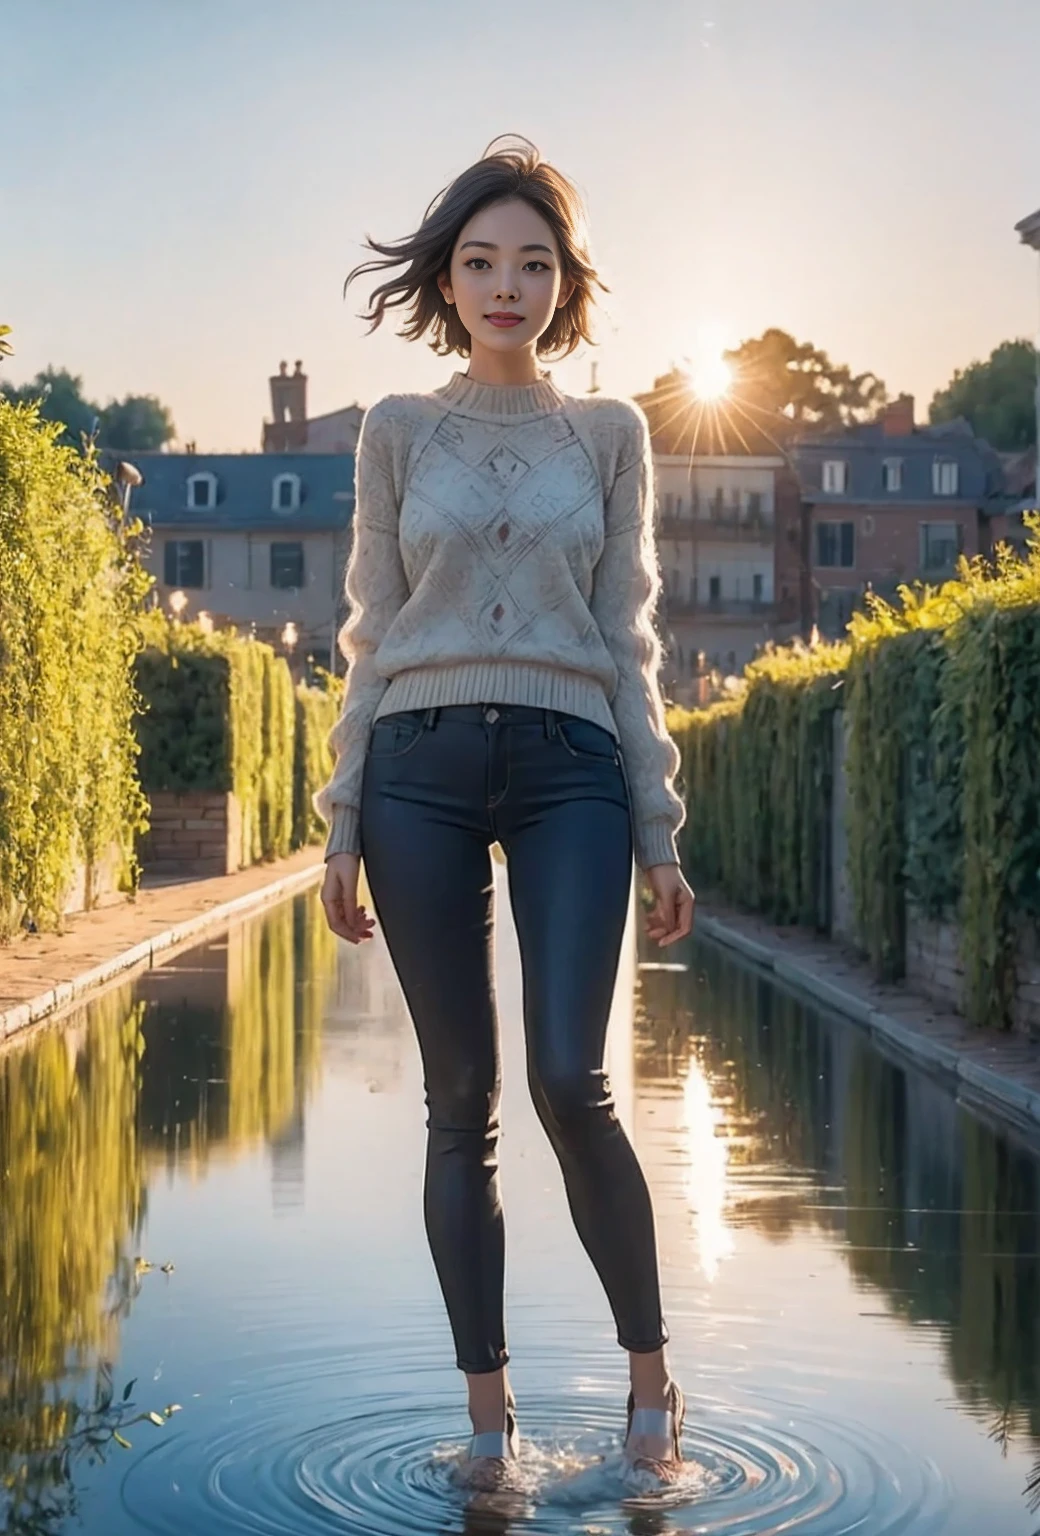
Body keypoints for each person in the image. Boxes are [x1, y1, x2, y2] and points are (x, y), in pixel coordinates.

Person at [315, 134, 695, 1491]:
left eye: (532, 263)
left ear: (562, 284)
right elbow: (366, 632)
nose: (505, 285)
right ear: (447, 277)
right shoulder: (395, 432)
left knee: (568, 1079)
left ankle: (653, 1381)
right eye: (481, 261)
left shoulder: (611, 435)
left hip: (571, 763)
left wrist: (658, 829)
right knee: (458, 1096)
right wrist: (342, 812)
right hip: (414, 761)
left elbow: (632, 636)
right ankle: (491, 1418)